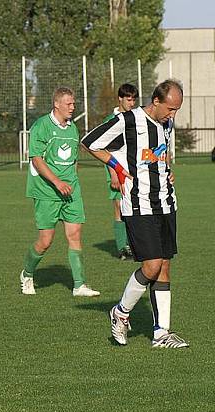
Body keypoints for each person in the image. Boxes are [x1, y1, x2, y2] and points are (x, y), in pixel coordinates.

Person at [81, 79, 189, 349]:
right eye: (170, 109)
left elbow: (158, 153)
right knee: (151, 265)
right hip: (138, 203)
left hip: (165, 201)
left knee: (164, 264)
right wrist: (117, 166)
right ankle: (120, 312)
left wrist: (166, 168)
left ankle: (161, 333)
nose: (172, 115)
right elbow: (90, 142)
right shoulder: (127, 121)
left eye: (177, 110)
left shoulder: (166, 124)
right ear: (156, 101)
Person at [19, 87, 100, 297]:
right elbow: (36, 159)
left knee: (75, 234)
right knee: (46, 241)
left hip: (70, 190)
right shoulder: (41, 126)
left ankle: (79, 285)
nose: (73, 107)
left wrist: (72, 179)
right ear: (57, 104)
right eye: (69, 104)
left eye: (74, 103)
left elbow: (73, 160)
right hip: (46, 191)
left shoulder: (72, 128)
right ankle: (27, 274)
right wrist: (56, 182)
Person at [103, 84, 139, 260]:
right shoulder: (112, 119)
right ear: (120, 98)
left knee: (134, 207)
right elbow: (105, 149)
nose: (131, 103)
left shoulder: (135, 118)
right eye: (128, 99)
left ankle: (134, 244)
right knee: (119, 207)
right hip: (117, 170)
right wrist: (113, 174)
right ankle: (122, 248)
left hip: (134, 170)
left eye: (134, 99)